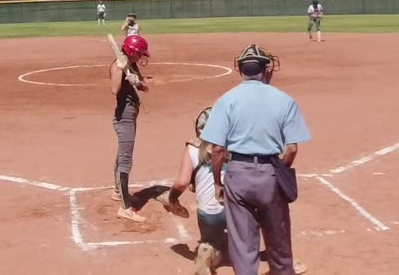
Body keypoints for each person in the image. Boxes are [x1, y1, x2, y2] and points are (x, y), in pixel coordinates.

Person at [200, 45, 311, 275]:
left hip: (237, 175)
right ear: (265, 69)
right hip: (271, 174)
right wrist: (280, 170)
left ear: (240, 70)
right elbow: (291, 148)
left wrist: (218, 183)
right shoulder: (284, 100)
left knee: (243, 246)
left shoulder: (226, 100)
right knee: (279, 243)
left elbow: (218, 149)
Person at [164, 107, 226, 274]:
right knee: (241, 239)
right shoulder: (235, 145)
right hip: (237, 209)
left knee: (212, 241)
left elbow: (182, 182)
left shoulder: (192, 148)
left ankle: (207, 249)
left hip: (209, 213)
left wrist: (172, 198)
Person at [110, 33, 150, 222]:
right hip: (123, 117)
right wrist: (120, 71)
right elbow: (114, 90)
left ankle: (118, 191)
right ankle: (125, 207)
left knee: (122, 154)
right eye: (140, 53)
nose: (142, 56)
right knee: (126, 159)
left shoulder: (131, 65)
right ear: (133, 51)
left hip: (132, 114)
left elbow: (146, 87)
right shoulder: (118, 64)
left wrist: (137, 81)